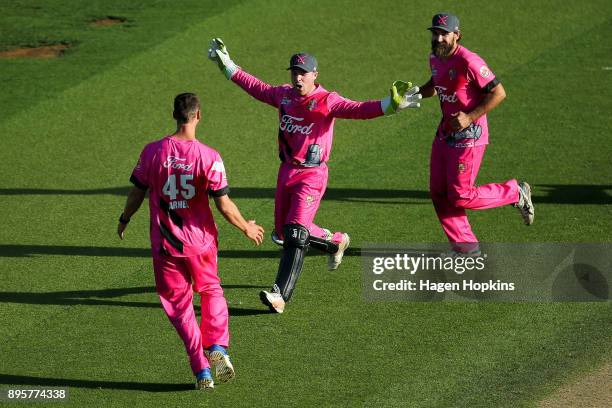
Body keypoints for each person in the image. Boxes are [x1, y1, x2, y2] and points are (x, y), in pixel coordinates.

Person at [207, 38, 421, 313]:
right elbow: (255, 87)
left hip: (312, 175)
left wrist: (388, 106)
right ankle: (335, 242)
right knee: (283, 235)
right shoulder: (283, 95)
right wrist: (226, 64)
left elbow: (358, 109)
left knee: (296, 232)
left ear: (315, 75)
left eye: (303, 73)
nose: (298, 77)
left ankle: (280, 295)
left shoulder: (327, 101)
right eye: (294, 72)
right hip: (286, 172)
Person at [116, 93, 264, 390]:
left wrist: (124, 218)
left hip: (166, 246)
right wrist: (246, 227)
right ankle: (218, 347)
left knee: (179, 306)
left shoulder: (152, 152)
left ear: (174, 115)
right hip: (201, 244)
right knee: (211, 290)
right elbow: (224, 205)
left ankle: (201, 370)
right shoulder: (209, 156)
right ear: (198, 115)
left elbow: (137, 192)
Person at [419, 13, 534, 254]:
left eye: (444, 34)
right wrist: (414, 93)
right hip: (445, 133)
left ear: (456, 35)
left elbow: (499, 93)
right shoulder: (435, 57)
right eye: (435, 33)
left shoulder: (469, 61)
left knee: (460, 196)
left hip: (469, 136)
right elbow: (435, 84)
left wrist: (469, 117)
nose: (438, 38)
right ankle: (466, 247)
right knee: (439, 192)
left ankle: (514, 192)